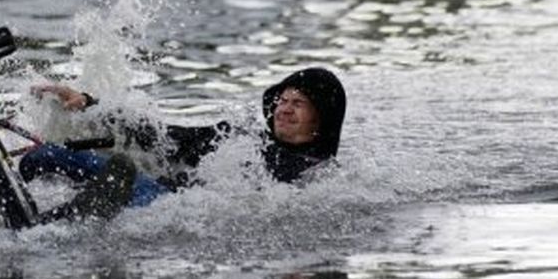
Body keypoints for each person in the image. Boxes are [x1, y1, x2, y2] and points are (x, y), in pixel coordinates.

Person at [20, 67, 346, 223]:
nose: (284, 109)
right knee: (41, 157)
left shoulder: (319, 176)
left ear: (322, 119)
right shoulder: (240, 139)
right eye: (283, 100)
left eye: (299, 103)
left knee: (119, 186)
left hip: (164, 205)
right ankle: (26, 206)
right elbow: (166, 136)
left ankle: (36, 226)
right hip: (162, 192)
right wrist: (88, 102)